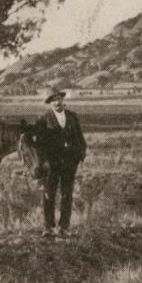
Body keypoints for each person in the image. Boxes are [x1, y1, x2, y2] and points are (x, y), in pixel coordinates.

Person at [34, 87, 87, 237]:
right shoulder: (43, 118)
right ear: (50, 103)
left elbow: (80, 137)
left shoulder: (72, 116)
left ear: (63, 100)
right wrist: (44, 162)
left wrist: (80, 154)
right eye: (53, 100)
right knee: (49, 194)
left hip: (70, 162)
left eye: (58, 99)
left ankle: (64, 227)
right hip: (52, 164)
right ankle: (48, 227)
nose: (57, 102)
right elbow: (38, 144)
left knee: (67, 194)